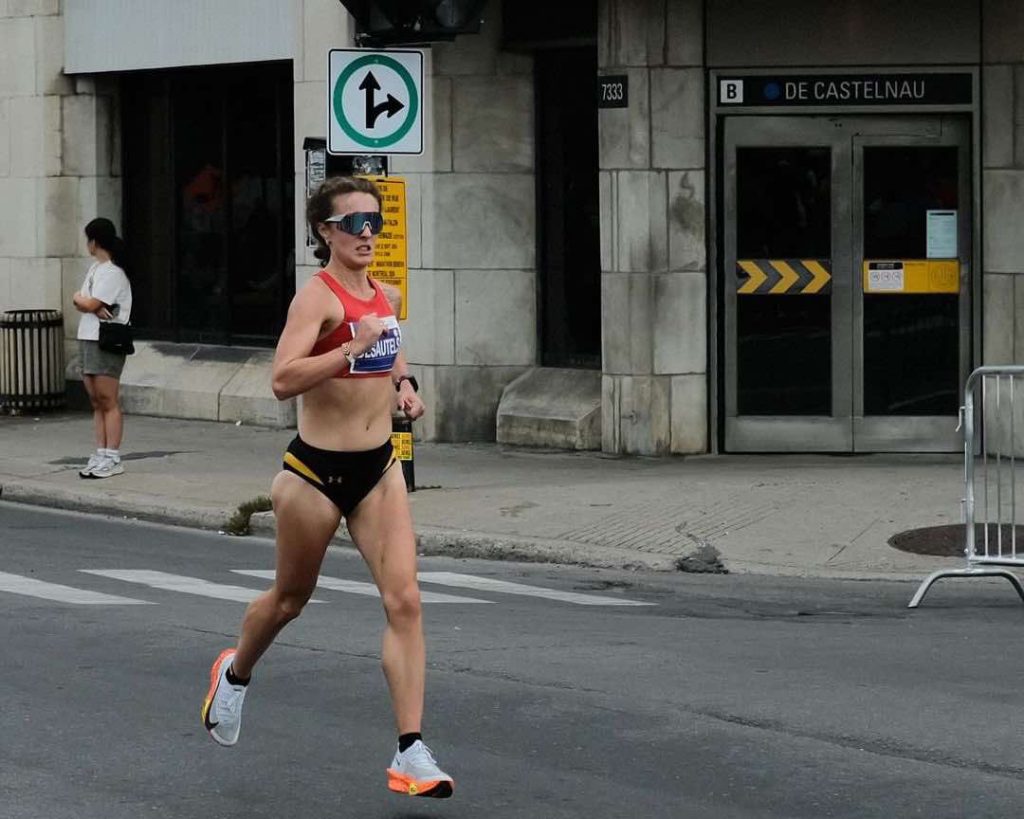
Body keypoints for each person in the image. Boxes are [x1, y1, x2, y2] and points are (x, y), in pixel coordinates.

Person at [201, 176, 453, 799]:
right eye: (354, 223)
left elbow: (387, 350)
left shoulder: (384, 293)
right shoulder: (315, 300)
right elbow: (283, 380)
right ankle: (234, 673)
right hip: (314, 473)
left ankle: (410, 753)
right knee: (289, 600)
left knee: (406, 602)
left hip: (378, 468)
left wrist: (405, 384)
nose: (368, 233)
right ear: (325, 231)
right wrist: (347, 351)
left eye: (375, 221)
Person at [72, 218, 132, 480]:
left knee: (108, 399)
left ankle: (112, 456)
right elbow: (83, 301)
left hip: (107, 340)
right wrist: (82, 300)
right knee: (96, 400)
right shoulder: (95, 269)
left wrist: (83, 301)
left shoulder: (113, 272)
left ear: (94, 241)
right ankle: (100, 451)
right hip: (88, 336)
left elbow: (90, 302)